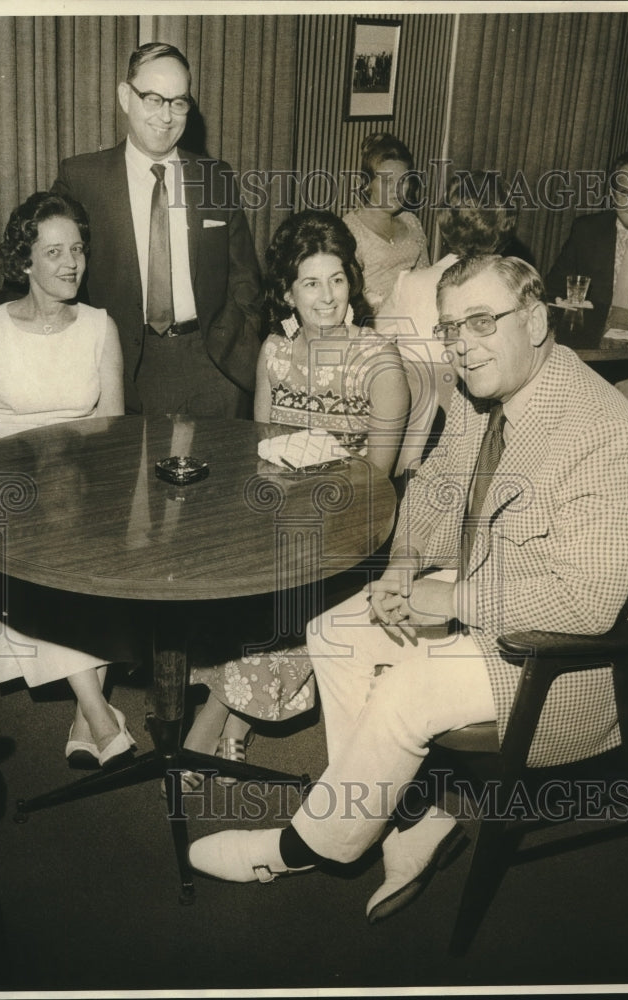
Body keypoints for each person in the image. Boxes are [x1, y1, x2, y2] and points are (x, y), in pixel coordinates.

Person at [187, 256, 628, 926]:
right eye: (449, 328)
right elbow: (434, 487)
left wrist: (451, 600)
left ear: (533, 320)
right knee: (334, 628)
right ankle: (405, 818)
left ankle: (307, 845)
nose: (461, 343)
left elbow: (587, 604)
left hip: (574, 660)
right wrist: (402, 569)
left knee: (407, 686)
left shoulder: (601, 433)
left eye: (479, 321)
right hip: (488, 588)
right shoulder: (483, 389)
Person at [179, 210, 410, 792]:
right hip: (278, 517)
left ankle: (211, 725)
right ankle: (232, 713)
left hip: (350, 532)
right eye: (310, 282)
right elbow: (260, 455)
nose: (327, 296)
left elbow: (375, 485)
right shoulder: (274, 356)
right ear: (286, 292)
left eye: (337, 279)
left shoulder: (381, 362)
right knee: (214, 568)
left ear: (352, 282)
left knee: (279, 588)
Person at [0, 191, 137, 769]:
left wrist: (78, 479)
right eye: (55, 252)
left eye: (78, 250)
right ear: (25, 263)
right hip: (16, 481)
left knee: (105, 570)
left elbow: (112, 422)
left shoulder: (99, 325)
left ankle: (87, 713)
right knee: (34, 571)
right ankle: (99, 717)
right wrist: (30, 477)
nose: (72, 263)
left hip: (90, 479)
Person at [50, 41, 262, 418]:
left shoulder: (215, 177)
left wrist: (238, 346)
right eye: (153, 99)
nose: (166, 117)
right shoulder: (83, 179)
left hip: (213, 366)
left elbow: (245, 276)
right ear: (124, 97)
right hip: (123, 368)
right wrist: (2, 323)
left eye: (178, 102)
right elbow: (41, 257)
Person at [376, 171, 536, 475]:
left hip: (409, 440)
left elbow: (374, 350)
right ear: (507, 226)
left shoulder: (407, 284)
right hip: (484, 441)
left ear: (443, 222)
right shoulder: (515, 288)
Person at [546, 147, 628, 411]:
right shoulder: (587, 231)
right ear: (612, 195)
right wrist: (567, 305)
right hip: (588, 361)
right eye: (626, 195)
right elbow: (551, 291)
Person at [342, 133, 430, 316]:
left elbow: (426, 279)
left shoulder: (411, 222)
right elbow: (347, 296)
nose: (396, 190)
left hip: (414, 318)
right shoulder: (350, 229)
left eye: (403, 180)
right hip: (370, 325)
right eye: (387, 180)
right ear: (367, 184)